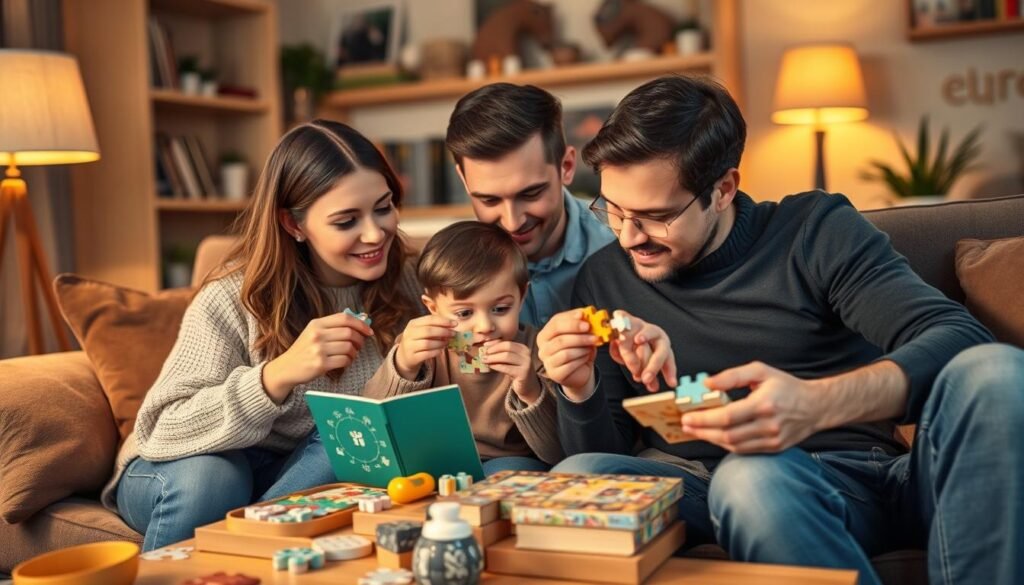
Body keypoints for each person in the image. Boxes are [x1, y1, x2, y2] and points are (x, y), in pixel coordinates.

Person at [536, 75, 1024, 585]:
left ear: (723, 189)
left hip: (863, 475)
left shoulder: (813, 230)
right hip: (706, 486)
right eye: (614, 210)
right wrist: (578, 385)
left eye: (656, 216)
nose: (629, 236)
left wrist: (815, 403)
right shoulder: (606, 276)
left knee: (993, 374)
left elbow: (960, 341)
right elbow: (606, 445)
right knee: (581, 479)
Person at [103, 120, 424, 551]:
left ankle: (252, 544)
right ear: (293, 224)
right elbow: (161, 429)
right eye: (347, 221)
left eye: (383, 208)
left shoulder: (413, 282)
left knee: (343, 445)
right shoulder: (232, 299)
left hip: (301, 470)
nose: (374, 234)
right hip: (183, 466)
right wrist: (276, 376)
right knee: (216, 479)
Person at [365, 221, 562, 475]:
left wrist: (530, 390)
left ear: (522, 296)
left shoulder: (538, 350)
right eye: (465, 313)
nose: (484, 326)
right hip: (434, 461)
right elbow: (373, 421)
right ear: (433, 308)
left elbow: (556, 450)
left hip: (510, 462)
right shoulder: (423, 346)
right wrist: (403, 365)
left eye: (500, 309)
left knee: (508, 473)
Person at [446, 83, 615, 327]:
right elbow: (465, 362)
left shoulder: (627, 243)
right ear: (463, 179)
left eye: (531, 193)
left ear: (566, 166)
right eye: (489, 200)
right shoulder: (451, 268)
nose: (512, 222)